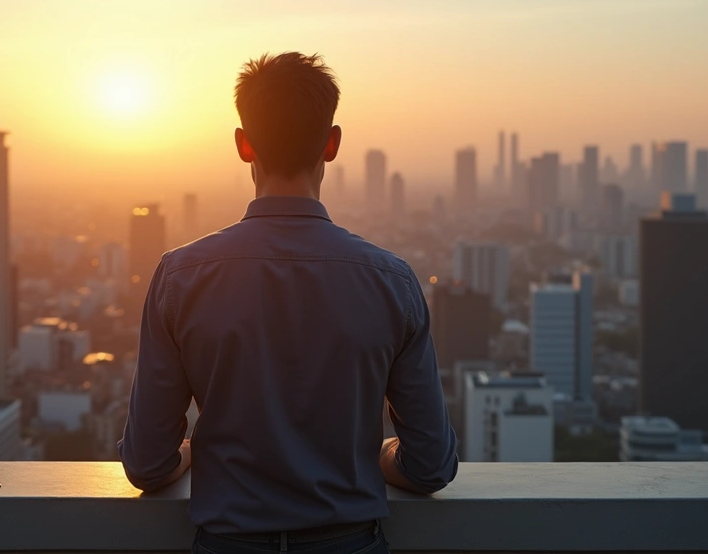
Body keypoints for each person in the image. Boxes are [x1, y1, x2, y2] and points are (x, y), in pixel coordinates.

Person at [119, 52, 458, 554]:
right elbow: (431, 466)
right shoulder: (391, 282)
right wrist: (382, 456)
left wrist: (195, 452)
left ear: (243, 145)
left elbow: (147, 464)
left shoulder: (182, 277)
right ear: (332, 143)